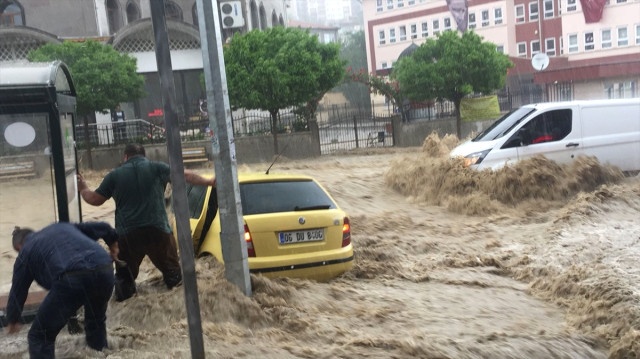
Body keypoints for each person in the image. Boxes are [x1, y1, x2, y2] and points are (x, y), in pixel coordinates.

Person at [77, 143, 216, 302]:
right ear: (144, 156)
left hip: (127, 236)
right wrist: (209, 181)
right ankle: (177, 308)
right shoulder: (157, 168)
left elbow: (94, 200)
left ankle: (126, 308)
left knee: (125, 282)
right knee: (174, 278)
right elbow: (184, 175)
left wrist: (83, 187)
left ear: (125, 157)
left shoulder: (114, 175)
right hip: (158, 231)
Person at [5, 222, 120, 358]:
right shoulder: (62, 228)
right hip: (104, 269)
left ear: (19, 246)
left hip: (71, 278)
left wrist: (13, 319)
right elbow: (103, 228)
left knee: (40, 336)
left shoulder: (26, 251)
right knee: (96, 323)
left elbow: (18, 290)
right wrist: (113, 245)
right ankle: (101, 353)